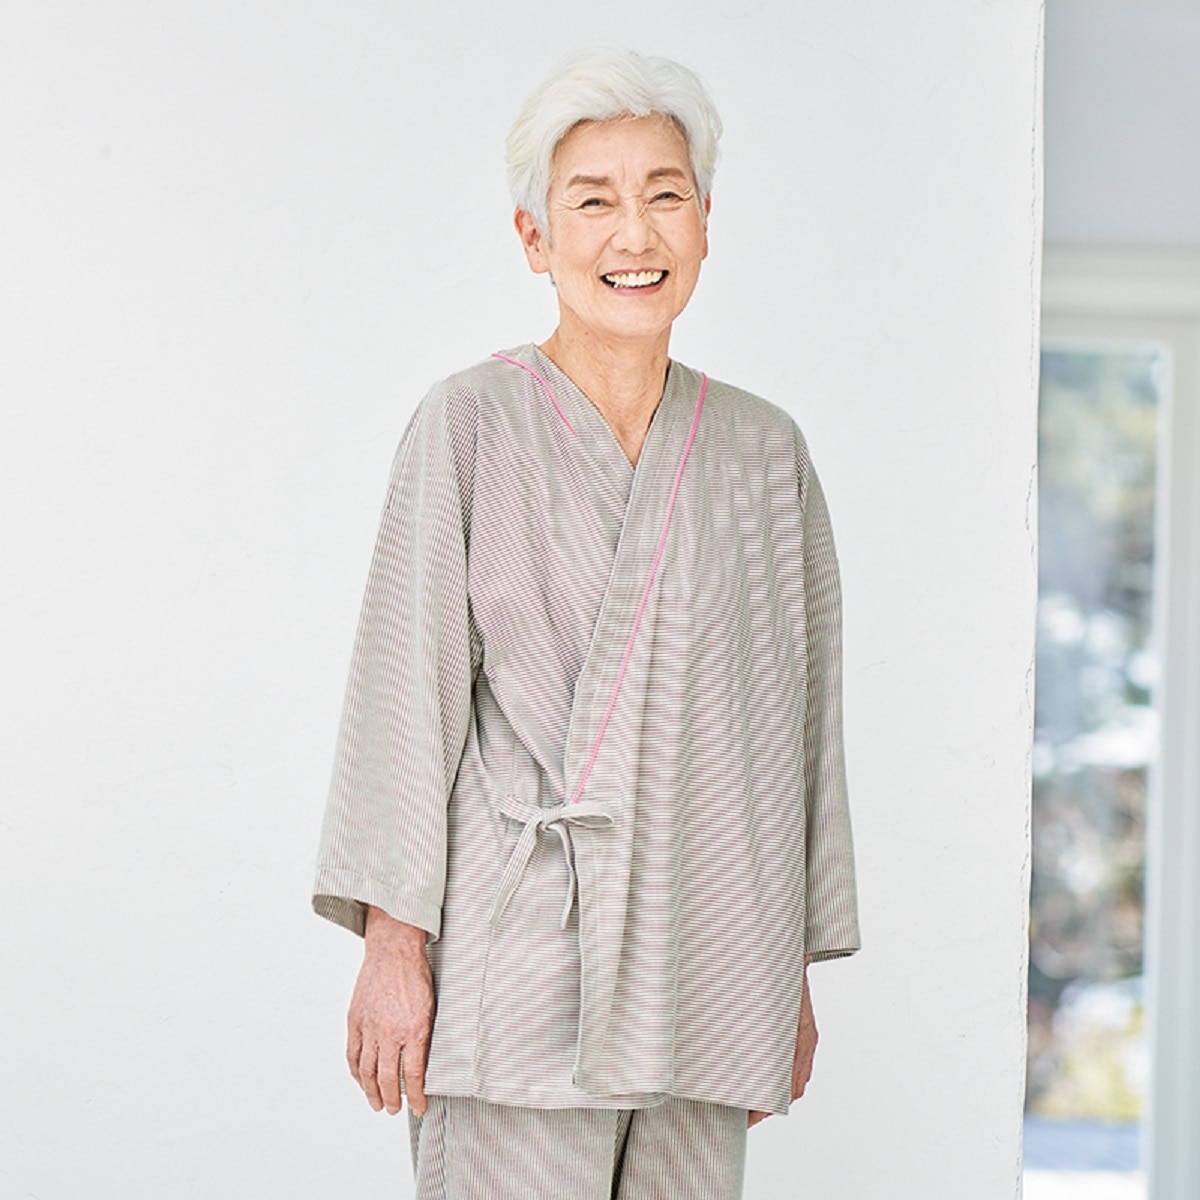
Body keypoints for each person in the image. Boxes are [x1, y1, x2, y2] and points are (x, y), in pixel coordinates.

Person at [313, 47, 860, 1200]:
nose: (635, 234)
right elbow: (406, 692)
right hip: (518, 966)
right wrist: (392, 946)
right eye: (594, 201)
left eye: (665, 195)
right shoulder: (467, 424)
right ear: (535, 237)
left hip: (705, 960)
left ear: (704, 223)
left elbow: (797, 729)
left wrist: (787, 972)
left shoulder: (766, 453)